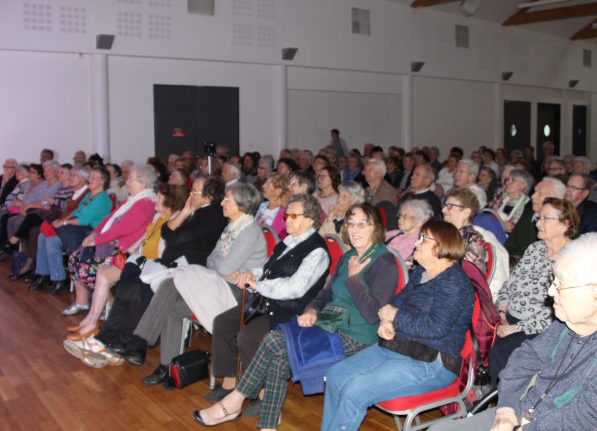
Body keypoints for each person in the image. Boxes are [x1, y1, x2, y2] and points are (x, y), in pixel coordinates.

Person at [192, 203, 399, 428]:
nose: (354, 230)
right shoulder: (348, 256)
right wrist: (311, 310)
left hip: (356, 336)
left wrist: (354, 279)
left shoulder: (384, 261)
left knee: (273, 341)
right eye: (350, 224)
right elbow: (326, 294)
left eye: (362, 224)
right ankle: (268, 425)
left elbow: (372, 315)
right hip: (329, 324)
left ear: (375, 228)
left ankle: (234, 402)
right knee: (279, 356)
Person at [436, 233, 597, 431]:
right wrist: (507, 408)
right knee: (441, 428)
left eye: (560, 284)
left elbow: (591, 415)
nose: (550, 291)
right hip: (522, 414)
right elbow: (524, 357)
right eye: (552, 279)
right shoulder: (572, 319)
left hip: (553, 426)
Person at [320, 220, 474, 431]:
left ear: (440, 245)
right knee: (337, 375)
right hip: (398, 347)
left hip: (432, 362)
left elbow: (436, 327)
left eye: (423, 239)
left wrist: (395, 316)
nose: (416, 244)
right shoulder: (421, 272)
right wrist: (385, 320)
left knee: (356, 389)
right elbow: (397, 302)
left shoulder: (454, 281)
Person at [130, 183, 267, 386]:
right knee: (171, 300)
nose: (222, 202)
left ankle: (139, 341)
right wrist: (223, 266)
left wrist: (223, 266)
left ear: (242, 205)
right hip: (216, 285)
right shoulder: (231, 227)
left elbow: (222, 266)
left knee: (175, 278)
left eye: (227, 200)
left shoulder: (249, 232)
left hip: (236, 295)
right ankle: (166, 367)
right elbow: (212, 259)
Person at [206, 194, 330, 405]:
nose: (286, 219)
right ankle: (229, 381)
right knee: (223, 322)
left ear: (310, 219)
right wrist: (252, 275)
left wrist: (258, 285)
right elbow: (266, 268)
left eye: (293, 215)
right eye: (286, 214)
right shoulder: (288, 241)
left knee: (247, 337)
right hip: (267, 302)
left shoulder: (317, 251)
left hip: (291, 310)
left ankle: (264, 393)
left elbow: (295, 289)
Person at [64, 183, 187, 342]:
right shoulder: (158, 216)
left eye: (159, 197)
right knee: (101, 272)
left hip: (151, 267)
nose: (155, 200)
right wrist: (131, 250)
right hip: (139, 260)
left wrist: (133, 254)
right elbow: (144, 240)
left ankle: (92, 323)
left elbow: (163, 253)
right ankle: (90, 321)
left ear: (170, 202)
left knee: (102, 275)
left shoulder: (173, 221)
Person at [489, 197, 579, 385]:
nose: (538, 223)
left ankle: (501, 402)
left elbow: (558, 311)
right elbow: (509, 285)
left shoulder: (573, 259)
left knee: (502, 348)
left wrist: (517, 328)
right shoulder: (535, 249)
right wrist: (502, 311)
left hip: (542, 328)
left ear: (565, 224)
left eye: (546, 218)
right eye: (539, 217)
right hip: (510, 318)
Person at [62, 164, 157, 316]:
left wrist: (97, 240)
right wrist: (94, 233)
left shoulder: (145, 203)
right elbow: (109, 219)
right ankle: (83, 303)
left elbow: (122, 229)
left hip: (126, 251)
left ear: (143, 183)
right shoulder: (133, 199)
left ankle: (108, 305)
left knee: (84, 268)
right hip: (114, 245)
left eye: (131, 179)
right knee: (75, 257)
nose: (127, 182)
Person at [31, 166, 114, 292]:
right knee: (43, 235)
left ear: (102, 181)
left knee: (52, 240)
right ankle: (43, 274)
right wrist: (62, 220)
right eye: (90, 176)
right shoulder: (89, 195)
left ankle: (58, 279)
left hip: (89, 233)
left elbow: (84, 220)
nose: (89, 179)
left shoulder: (102, 199)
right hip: (76, 228)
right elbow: (76, 210)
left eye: (93, 177)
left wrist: (63, 222)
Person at [504, 177, 566, 268]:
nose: (533, 196)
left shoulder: (556, 228)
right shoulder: (528, 217)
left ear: (554, 200)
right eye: (534, 192)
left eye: (540, 194)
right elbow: (509, 247)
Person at [442, 187, 487, 277]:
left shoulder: (473, 240)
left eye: (450, 206)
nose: (443, 210)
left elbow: (470, 278)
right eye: (444, 205)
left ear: (466, 213)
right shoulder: (439, 233)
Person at [384, 199, 432, 267]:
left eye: (405, 216)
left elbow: (395, 260)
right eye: (399, 215)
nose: (399, 219)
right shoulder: (396, 233)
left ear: (419, 221)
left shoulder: (416, 242)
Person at [491, 168, 533, 233]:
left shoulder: (527, 204)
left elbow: (524, 229)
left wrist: (510, 227)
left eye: (513, 180)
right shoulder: (501, 198)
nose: (507, 183)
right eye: (507, 179)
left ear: (523, 185)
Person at [254, 173, 289, 240]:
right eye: (265, 183)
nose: (263, 186)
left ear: (278, 191)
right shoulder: (263, 206)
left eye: (268, 185)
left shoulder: (284, 211)